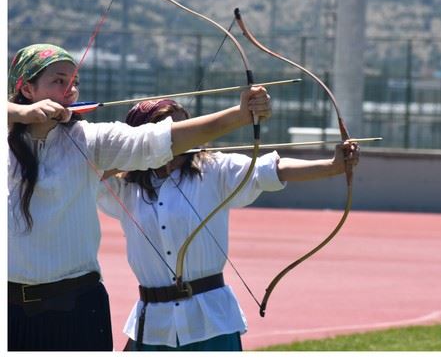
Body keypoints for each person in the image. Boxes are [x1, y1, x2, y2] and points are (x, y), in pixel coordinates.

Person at [7, 43, 270, 351]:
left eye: (75, 83)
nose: (70, 91)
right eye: (59, 81)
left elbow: (160, 141)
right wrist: (20, 113)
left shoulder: (91, 140)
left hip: (76, 308)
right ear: (26, 87)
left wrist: (239, 116)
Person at [96, 99, 360, 351]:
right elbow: (86, 168)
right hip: (154, 325)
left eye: (185, 131)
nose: (180, 140)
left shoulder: (213, 169)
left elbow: (271, 169)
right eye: (171, 134)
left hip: (211, 320)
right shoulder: (124, 186)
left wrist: (332, 166)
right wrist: (137, 154)